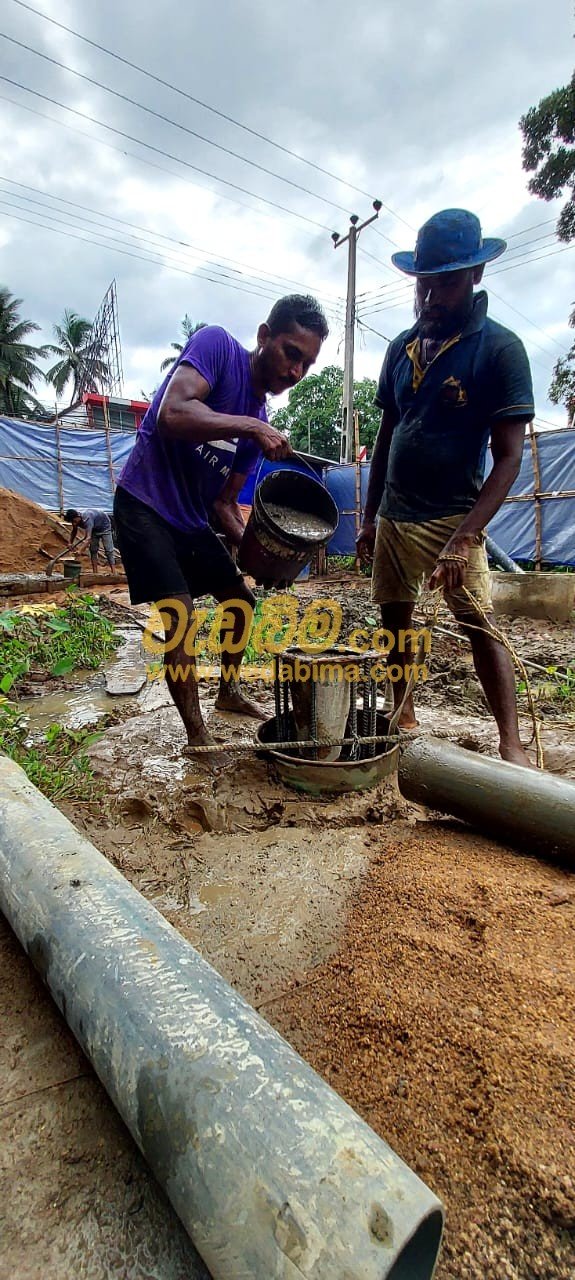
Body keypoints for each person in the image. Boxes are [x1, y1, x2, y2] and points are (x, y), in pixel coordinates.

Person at [114, 294, 328, 758]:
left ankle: (229, 691)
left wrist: (265, 557)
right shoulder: (217, 348)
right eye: (291, 354)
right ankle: (198, 737)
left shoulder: (258, 422)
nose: (296, 371)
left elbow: (224, 503)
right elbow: (171, 413)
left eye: (306, 364)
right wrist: (250, 426)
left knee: (241, 601)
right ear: (264, 336)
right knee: (181, 616)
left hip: (190, 520)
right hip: (144, 503)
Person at [357, 209, 535, 766]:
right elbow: (387, 435)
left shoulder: (499, 350)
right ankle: (403, 713)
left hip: (453, 517)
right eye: (423, 284)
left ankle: (510, 742)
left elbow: (508, 458)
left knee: (479, 624)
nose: (431, 297)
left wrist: (465, 537)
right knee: (395, 617)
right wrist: (369, 517)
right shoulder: (400, 348)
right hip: (395, 514)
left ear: (475, 276)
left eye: (446, 283)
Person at [64, 508, 116, 573]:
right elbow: (74, 531)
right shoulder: (75, 519)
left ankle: (114, 572)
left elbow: (88, 539)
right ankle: (95, 573)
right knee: (93, 550)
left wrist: (80, 550)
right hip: (94, 529)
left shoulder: (87, 518)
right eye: (72, 522)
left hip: (105, 527)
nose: (74, 524)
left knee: (108, 550)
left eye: (74, 521)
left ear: (78, 516)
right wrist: (70, 543)